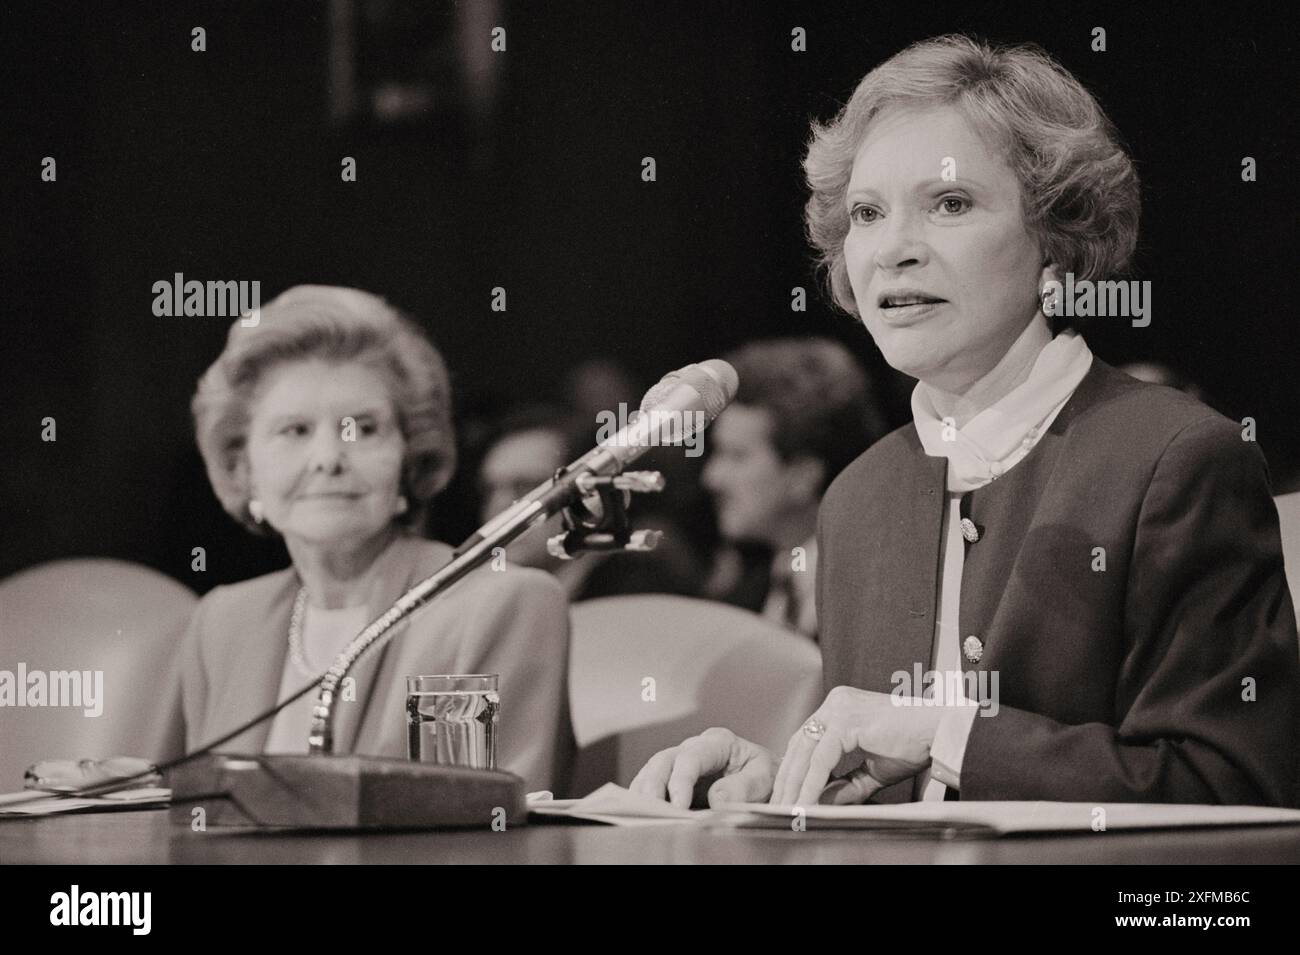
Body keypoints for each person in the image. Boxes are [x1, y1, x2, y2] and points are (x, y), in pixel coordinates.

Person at [632, 35, 1299, 808]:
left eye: (949, 203)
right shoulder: (857, 497)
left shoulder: (1176, 460)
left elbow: (1233, 787)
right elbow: (884, 773)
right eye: (868, 214)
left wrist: (944, 732)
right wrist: (775, 783)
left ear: (1056, 243)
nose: (894, 251)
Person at [171, 285, 573, 792]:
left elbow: (475, 834)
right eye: (294, 431)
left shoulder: (497, 605)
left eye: (361, 429)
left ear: (410, 457)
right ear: (243, 468)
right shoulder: (223, 622)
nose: (327, 458)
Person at [702, 338, 886, 640]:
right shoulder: (744, 590)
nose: (712, 477)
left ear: (803, 476)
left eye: (737, 456)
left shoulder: (873, 594)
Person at [477, 405, 702, 601]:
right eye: (489, 490)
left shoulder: (639, 590)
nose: (498, 506)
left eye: (527, 488)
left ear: (591, 498)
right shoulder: (501, 595)